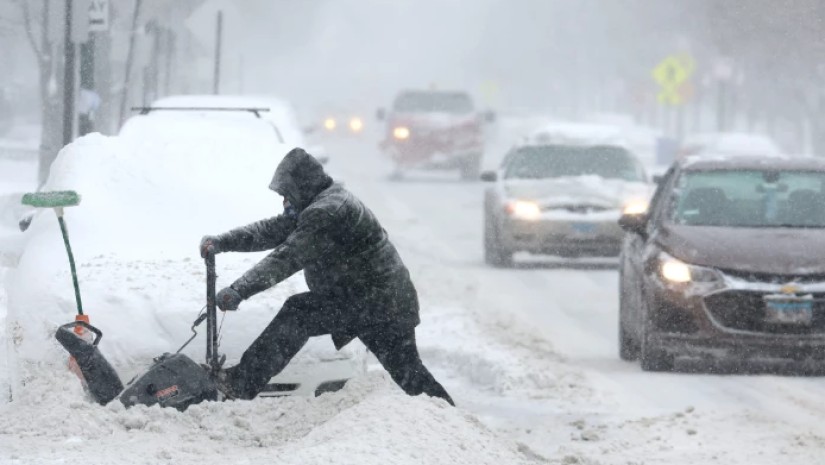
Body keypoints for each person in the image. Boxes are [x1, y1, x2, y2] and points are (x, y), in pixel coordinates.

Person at [200, 148, 454, 405]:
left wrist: (239, 290)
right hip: (379, 301)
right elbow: (273, 230)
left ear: (301, 186)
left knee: (298, 313)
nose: (284, 201)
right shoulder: (319, 203)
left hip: (375, 302)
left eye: (286, 194)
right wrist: (223, 242)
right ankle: (448, 419)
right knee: (409, 372)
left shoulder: (327, 212)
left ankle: (242, 382)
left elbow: (287, 258)